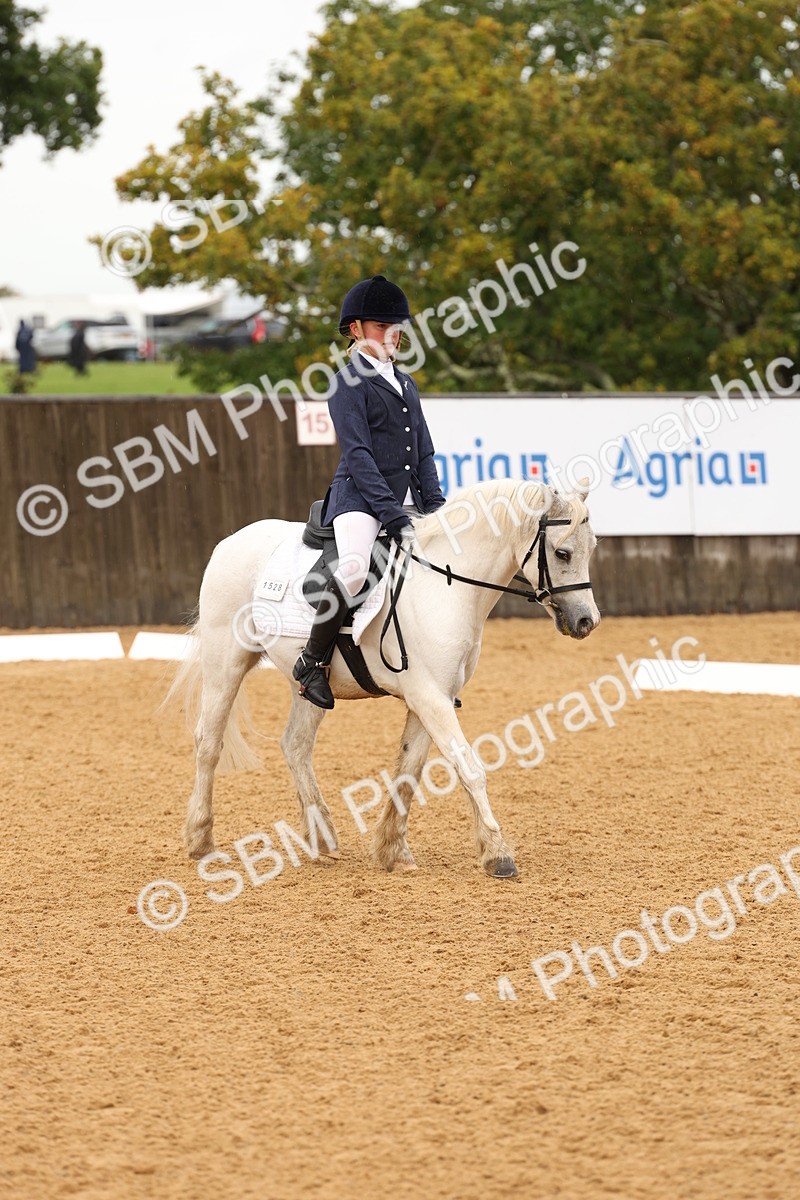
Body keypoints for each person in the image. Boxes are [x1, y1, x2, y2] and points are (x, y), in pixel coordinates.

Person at [293, 275, 446, 709]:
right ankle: (311, 660)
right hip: (358, 500)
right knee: (357, 568)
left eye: (396, 327)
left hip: (397, 503)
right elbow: (359, 457)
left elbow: (423, 452)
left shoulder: (406, 383)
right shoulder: (346, 382)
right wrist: (394, 515)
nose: (392, 334)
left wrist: (435, 508)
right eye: (382, 327)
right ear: (356, 330)